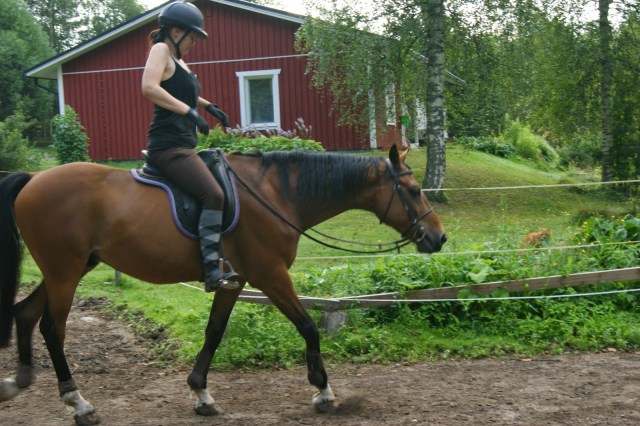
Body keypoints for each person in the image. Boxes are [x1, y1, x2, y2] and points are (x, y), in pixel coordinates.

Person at [141, 1, 237, 292]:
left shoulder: (179, 61)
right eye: (192, 36)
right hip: (169, 146)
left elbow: (183, 91)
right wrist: (189, 112)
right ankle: (211, 270)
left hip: (184, 145)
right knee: (214, 195)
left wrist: (208, 106)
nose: (194, 42)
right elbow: (149, 87)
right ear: (176, 31)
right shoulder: (161, 50)